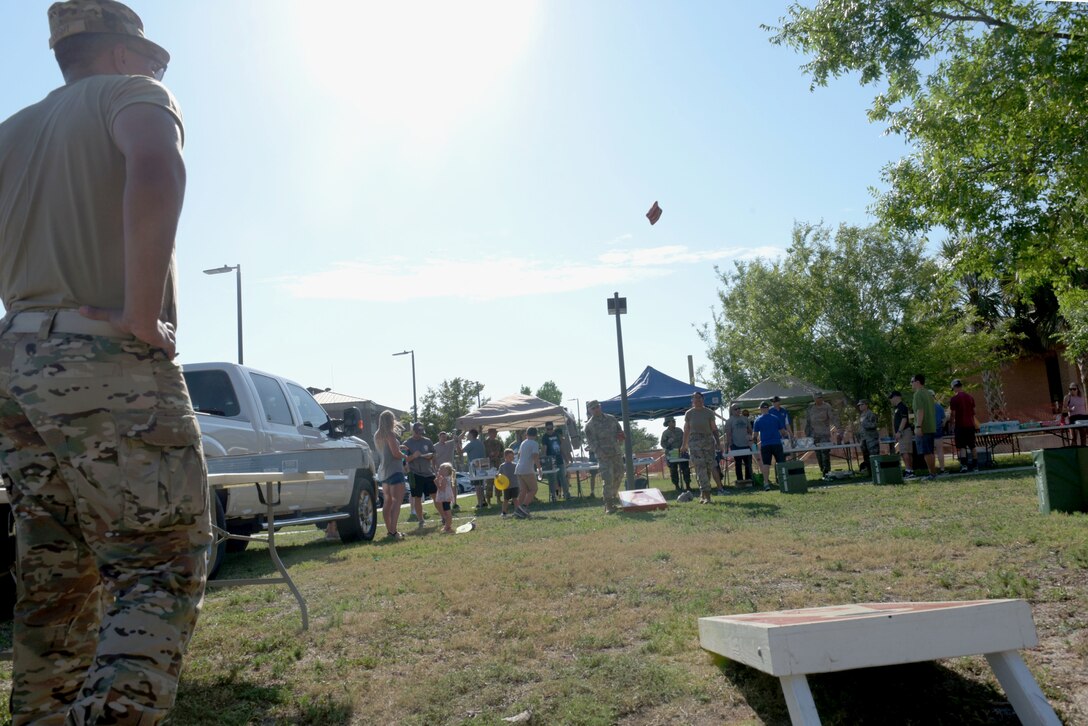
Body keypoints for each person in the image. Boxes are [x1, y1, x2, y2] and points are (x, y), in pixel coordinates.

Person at [0, 3, 208, 723]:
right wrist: (142, 313)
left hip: (18, 367)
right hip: (103, 363)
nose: (157, 70)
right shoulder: (133, 94)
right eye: (153, 58)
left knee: (55, 581)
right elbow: (157, 167)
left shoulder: (13, 131)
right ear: (119, 53)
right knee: (159, 564)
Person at [584, 400, 624, 513]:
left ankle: (612, 496)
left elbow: (619, 431)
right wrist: (599, 452)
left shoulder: (611, 419)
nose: (596, 409)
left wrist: (621, 436)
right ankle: (608, 504)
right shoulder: (589, 426)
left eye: (597, 407)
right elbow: (591, 443)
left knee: (619, 475)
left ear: (600, 407)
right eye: (593, 408)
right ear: (590, 411)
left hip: (616, 453)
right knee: (608, 479)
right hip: (603, 456)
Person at [373, 410, 407, 539]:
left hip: (383, 472)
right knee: (396, 502)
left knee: (387, 502)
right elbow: (396, 454)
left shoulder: (377, 435)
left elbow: (388, 451)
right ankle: (393, 532)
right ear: (391, 420)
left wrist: (399, 448)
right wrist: (407, 457)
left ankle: (390, 530)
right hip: (395, 470)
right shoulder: (390, 434)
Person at [681, 392, 718, 504]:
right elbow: (686, 429)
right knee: (700, 468)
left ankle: (703, 493)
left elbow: (714, 428)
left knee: (708, 468)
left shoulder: (709, 412)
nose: (698, 400)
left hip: (708, 442)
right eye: (695, 398)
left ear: (703, 399)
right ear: (692, 400)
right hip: (694, 442)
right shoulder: (689, 413)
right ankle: (707, 496)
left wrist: (718, 442)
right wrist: (684, 445)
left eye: (700, 398)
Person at [404, 422, 437, 529]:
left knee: (435, 495)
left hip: (428, 473)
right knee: (417, 497)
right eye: (417, 432)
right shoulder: (407, 443)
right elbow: (404, 460)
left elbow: (434, 454)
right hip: (415, 474)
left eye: (421, 432)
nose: (419, 434)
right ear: (413, 431)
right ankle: (421, 520)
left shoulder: (428, 441)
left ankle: (444, 516)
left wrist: (430, 456)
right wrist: (413, 456)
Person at [753, 401, 792, 491]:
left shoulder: (757, 420)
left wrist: (754, 446)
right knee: (781, 463)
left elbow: (754, 436)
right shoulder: (775, 418)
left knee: (766, 464)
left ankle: (766, 483)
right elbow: (783, 432)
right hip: (777, 443)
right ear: (768, 408)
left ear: (760, 409)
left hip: (765, 445)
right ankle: (784, 482)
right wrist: (787, 436)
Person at [910, 375, 938, 480]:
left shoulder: (918, 394)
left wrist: (918, 426)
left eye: (912, 381)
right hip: (930, 427)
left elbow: (920, 410)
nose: (911, 384)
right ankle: (933, 473)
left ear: (917, 382)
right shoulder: (928, 393)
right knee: (930, 451)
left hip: (923, 427)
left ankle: (932, 474)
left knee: (927, 452)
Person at [948, 379, 979, 472]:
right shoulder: (970, 397)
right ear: (961, 386)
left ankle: (964, 466)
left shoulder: (954, 399)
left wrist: (951, 424)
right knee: (972, 446)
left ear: (954, 388)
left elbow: (953, 414)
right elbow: (974, 412)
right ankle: (975, 466)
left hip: (960, 425)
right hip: (970, 425)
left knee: (962, 446)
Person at [806, 393, 839, 477]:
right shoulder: (810, 407)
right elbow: (808, 422)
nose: (819, 399)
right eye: (817, 398)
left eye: (820, 398)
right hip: (814, 435)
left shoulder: (827, 406)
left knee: (825, 452)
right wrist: (808, 434)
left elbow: (833, 418)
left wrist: (838, 428)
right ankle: (822, 470)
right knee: (818, 453)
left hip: (824, 434)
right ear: (814, 399)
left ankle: (827, 471)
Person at [539, 421, 572, 502]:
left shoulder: (557, 435)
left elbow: (561, 448)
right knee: (552, 480)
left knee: (563, 478)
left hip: (559, 460)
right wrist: (544, 461)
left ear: (553, 428)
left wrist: (566, 458)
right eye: (548, 429)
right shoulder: (544, 437)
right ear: (545, 429)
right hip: (550, 462)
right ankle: (554, 496)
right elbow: (544, 450)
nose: (550, 430)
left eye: (551, 428)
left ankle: (566, 494)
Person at [514, 427, 541, 518]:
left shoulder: (523, 443)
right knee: (534, 489)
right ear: (536, 434)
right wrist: (539, 468)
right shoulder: (534, 443)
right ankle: (524, 507)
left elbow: (519, 455)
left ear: (527, 434)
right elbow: (535, 457)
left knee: (523, 491)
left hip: (519, 469)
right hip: (527, 469)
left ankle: (517, 509)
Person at [660, 416, 691, 492]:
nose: (674, 422)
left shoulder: (679, 430)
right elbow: (662, 444)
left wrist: (685, 446)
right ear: (668, 423)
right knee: (673, 470)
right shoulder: (665, 433)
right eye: (673, 421)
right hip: (672, 453)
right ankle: (677, 486)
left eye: (674, 421)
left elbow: (685, 439)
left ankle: (688, 485)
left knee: (686, 469)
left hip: (681, 452)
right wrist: (668, 443)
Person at [725, 404, 753, 484]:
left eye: (739, 408)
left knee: (748, 464)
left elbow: (750, 430)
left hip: (747, 445)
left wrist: (750, 439)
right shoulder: (729, 421)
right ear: (732, 411)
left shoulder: (745, 419)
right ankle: (740, 481)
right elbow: (728, 434)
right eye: (735, 409)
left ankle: (749, 480)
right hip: (736, 445)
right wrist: (731, 445)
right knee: (738, 464)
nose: (738, 410)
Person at [889, 391, 915, 478]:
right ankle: (910, 470)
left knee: (905, 452)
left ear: (896, 397)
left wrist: (899, 432)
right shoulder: (897, 408)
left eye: (891, 398)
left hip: (904, 431)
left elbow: (904, 420)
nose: (891, 400)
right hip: (902, 432)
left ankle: (909, 471)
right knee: (906, 452)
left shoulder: (902, 407)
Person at [462, 428, 488, 509]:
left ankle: (480, 503)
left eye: (468, 434)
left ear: (471, 435)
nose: (467, 436)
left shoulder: (471, 444)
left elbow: (460, 451)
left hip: (475, 467)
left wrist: (457, 442)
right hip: (482, 466)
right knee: (481, 484)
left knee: (477, 485)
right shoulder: (480, 443)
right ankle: (483, 501)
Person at [856, 400, 881, 473]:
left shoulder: (871, 414)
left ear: (866, 405)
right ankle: (870, 472)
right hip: (864, 439)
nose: (860, 406)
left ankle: (877, 472)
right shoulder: (861, 415)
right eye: (859, 405)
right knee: (866, 456)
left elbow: (874, 425)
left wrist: (865, 424)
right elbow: (860, 427)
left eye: (862, 405)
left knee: (874, 456)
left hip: (871, 438)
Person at [483, 427, 504, 507]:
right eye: (493, 433)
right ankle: (488, 500)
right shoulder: (484, 443)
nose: (495, 434)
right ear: (489, 434)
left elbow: (502, 453)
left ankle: (499, 498)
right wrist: (489, 455)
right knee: (489, 483)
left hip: (497, 464)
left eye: (495, 433)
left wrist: (498, 455)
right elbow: (483, 455)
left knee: (498, 482)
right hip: (488, 466)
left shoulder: (498, 443)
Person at [1063, 381, 1088, 446]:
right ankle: (1073, 450)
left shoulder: (1082, 397)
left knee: (1083, 436)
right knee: (1073, 437)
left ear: (1078, 389)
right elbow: (1063, 409)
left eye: (1074, 389)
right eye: (1070, 389)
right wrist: (1070, 409)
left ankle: (1083, 450)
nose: (1072, 391)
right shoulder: (1068, 397)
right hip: (1074, 417)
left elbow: (1085, 407)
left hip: (1083, 417)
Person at [434, 463, 456, 533]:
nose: (438, 470)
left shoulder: (444, 479)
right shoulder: (446, 478)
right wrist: (438, 479)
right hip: (446, 497)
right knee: (446, 511)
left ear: (445, 471)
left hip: (445, 497)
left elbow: (442, 489)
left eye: (440, 469)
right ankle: (447, 526)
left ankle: (448, 527)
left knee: (447, 513)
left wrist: (436, 483)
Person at [497, 449, 519, 519]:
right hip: (506, 486)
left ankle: (517, 511)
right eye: (510, 457)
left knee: (515, 499)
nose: (511, 458)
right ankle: (504, 512)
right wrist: (497, 477)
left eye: (512, 457)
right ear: (505, 457)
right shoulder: (502, 466)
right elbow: (499, 475)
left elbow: (519, 473)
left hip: (515, 485)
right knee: (506, 500)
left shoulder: (515, 465)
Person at [932, 391, 948, 473]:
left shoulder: (924, 407)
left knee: (930, 452)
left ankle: (932, 470)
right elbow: (944, 419)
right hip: (938, 430)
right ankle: (942, 469)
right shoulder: (939, 407)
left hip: (928, 431)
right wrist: (942, 425)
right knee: (940, 450)